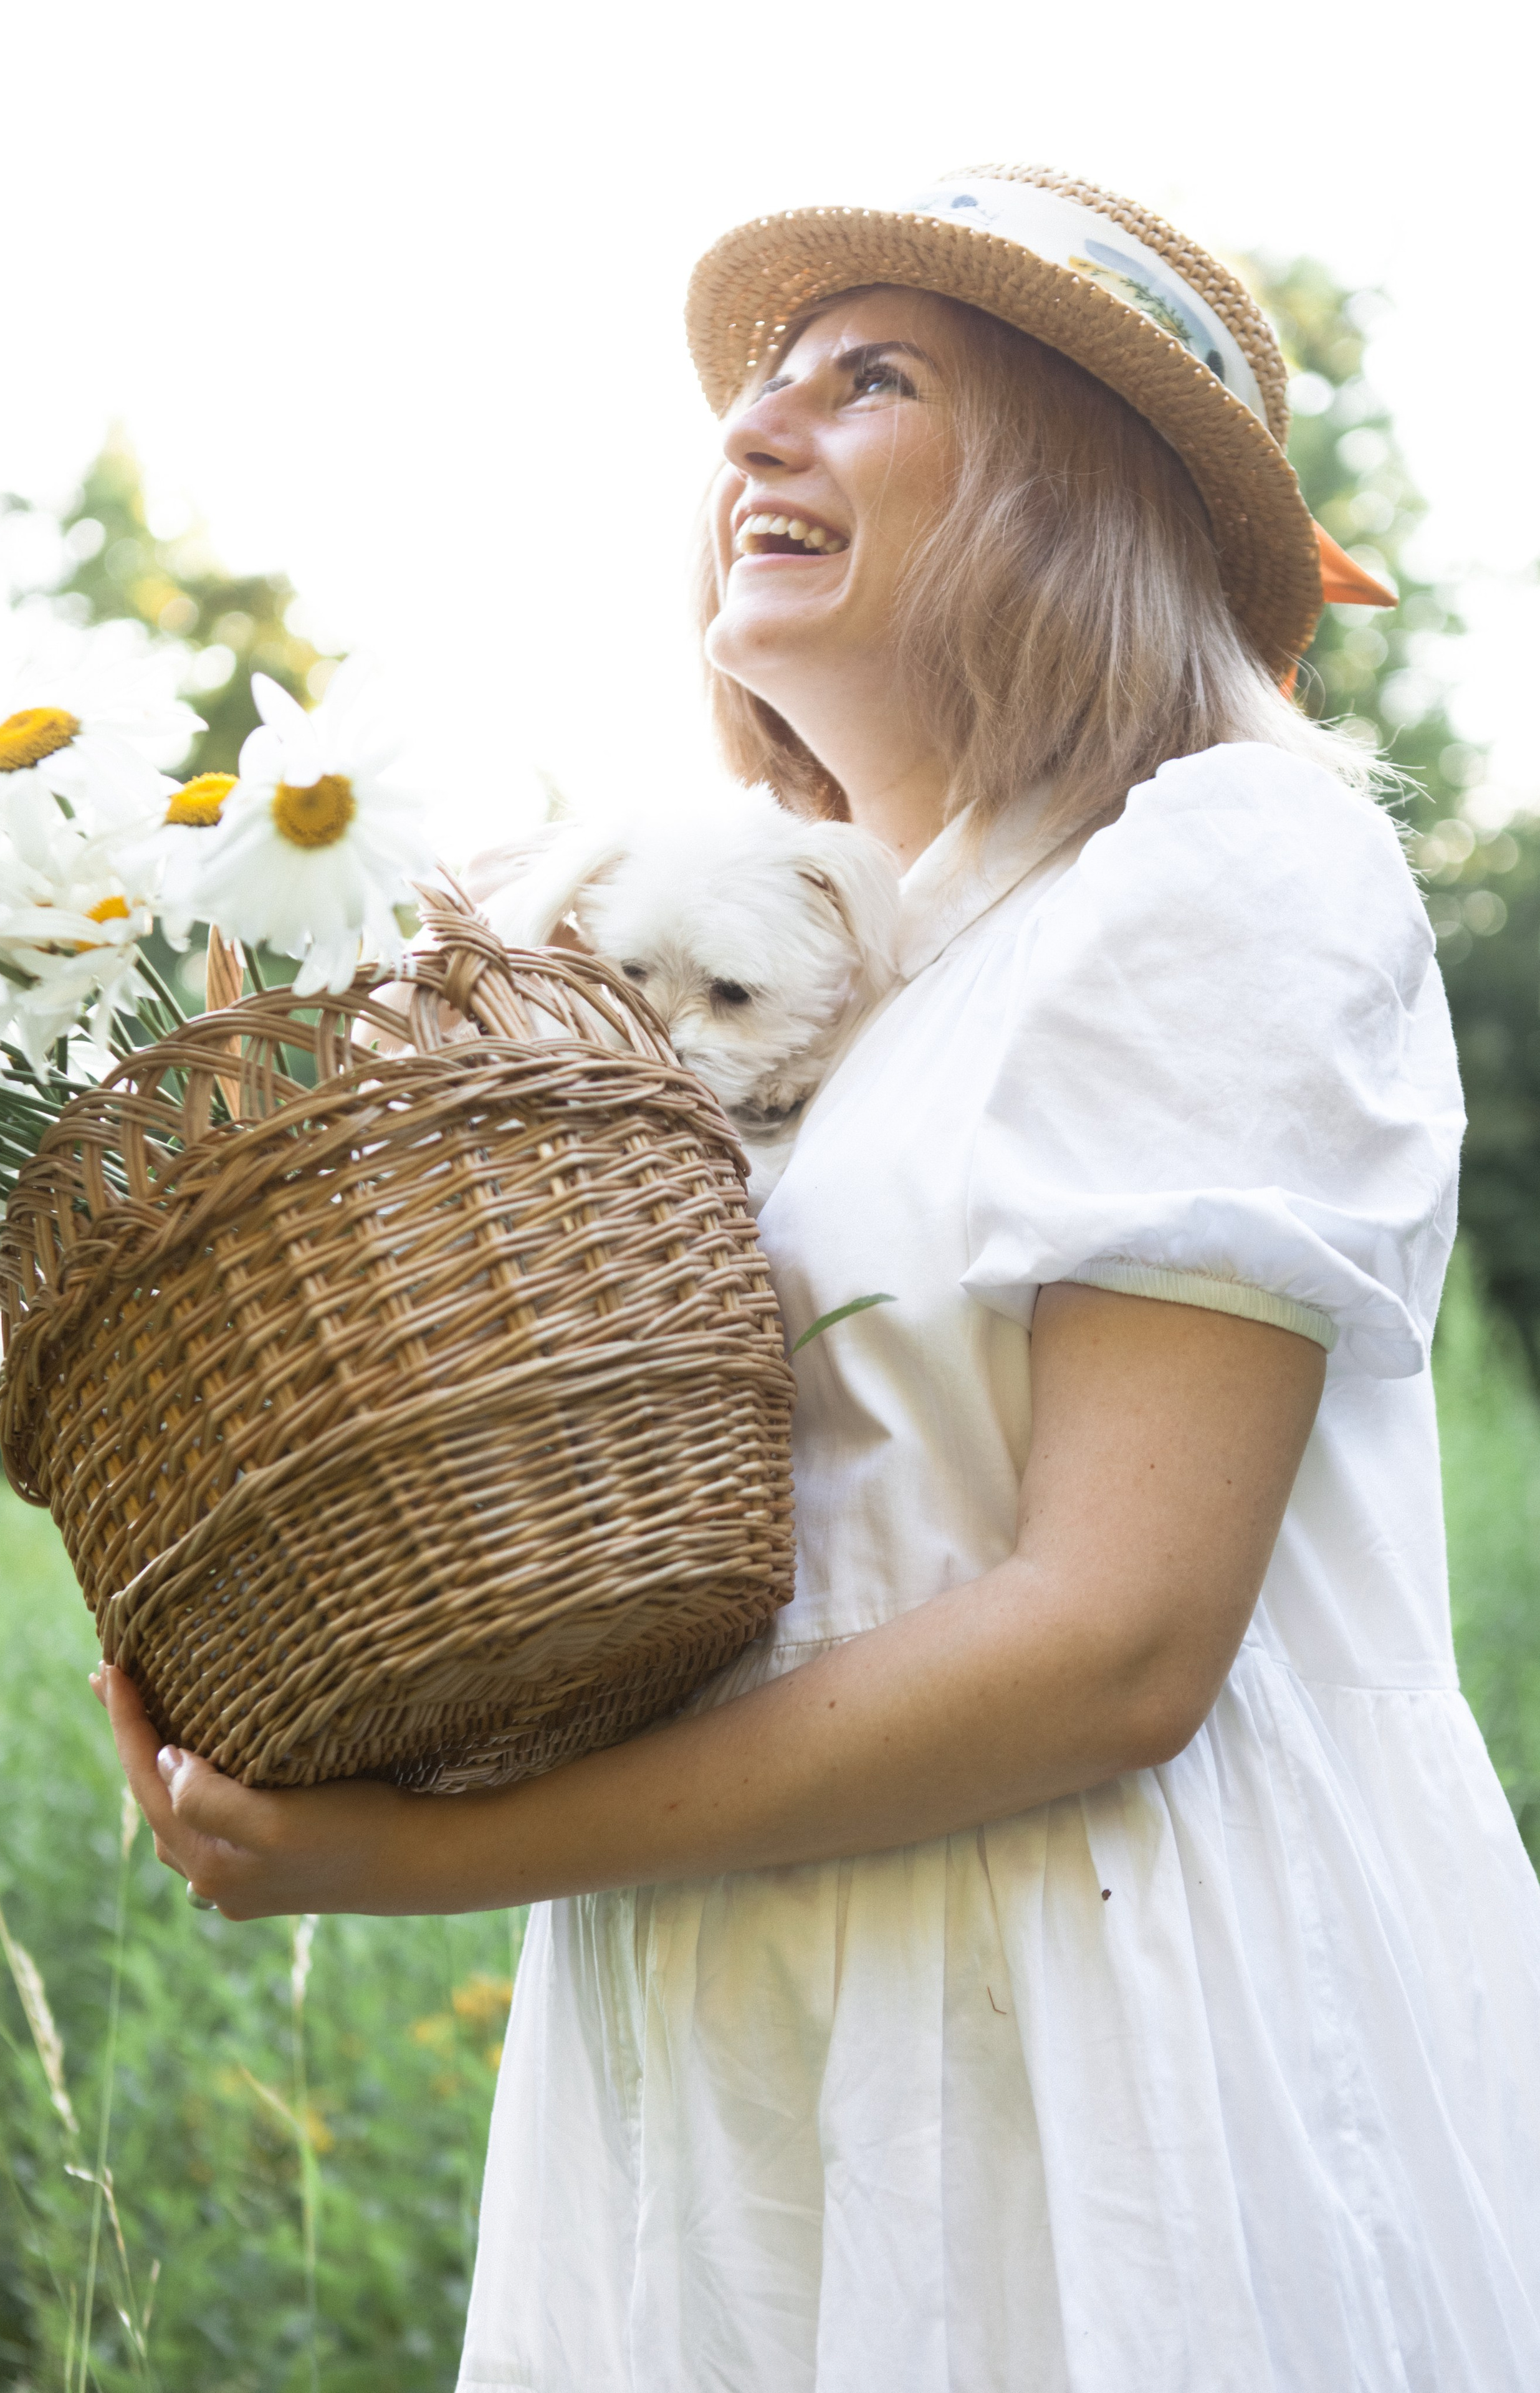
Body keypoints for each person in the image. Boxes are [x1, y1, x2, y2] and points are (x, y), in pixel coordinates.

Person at [100, 166, 1540, 2389]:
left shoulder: (1223, 862)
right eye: (759, 393)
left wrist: (420, 1860)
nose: (758, 433)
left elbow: (1117, 1647)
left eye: (873, 381)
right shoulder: (832, 962)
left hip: (1096, 2035)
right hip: (756, 2035)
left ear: (1081, 495)